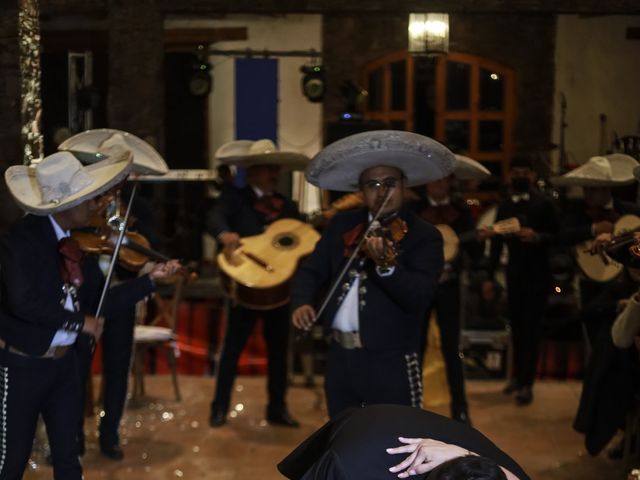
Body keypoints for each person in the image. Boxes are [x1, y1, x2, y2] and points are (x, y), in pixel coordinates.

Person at [0, 151, 179, 479]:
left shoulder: (73, 242)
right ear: (65, 204)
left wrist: (149, 281)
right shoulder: (21, 239)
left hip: (66, 365)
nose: (96, 205)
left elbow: (100, 303)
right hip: (25, 365)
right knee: (10, 463)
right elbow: (22, 302)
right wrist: (78, 322)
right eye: (88, 199)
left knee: (70, 461)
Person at [291, 130, 452, 418]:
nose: (382, 192)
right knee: (340, 440)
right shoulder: (343, 225)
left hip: (391, 362)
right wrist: (303, 301)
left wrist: (388, 267)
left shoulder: (423, 236)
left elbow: (419, 297)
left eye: (390, 183)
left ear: (404, 186)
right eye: (372, 184)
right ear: (361, 191)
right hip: (340, 358)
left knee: (396, 447)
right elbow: (311, 271)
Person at [59, 128, 172, 460]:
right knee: (76, 370)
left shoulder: (139, 205)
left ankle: (109, 435)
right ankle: (73, 436)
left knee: (118, 368)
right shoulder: (84, 197)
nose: (119, 175)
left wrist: (126, 239)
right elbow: (69, 236)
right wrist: (98, 236)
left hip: (123, 294)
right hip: (85, 297)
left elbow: (149, 246)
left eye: (124, 169)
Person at [206, 139, 309, 427]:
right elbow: (213, 218)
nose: (272, 174)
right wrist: (224, 234)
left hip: (279, 289)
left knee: (279, 353)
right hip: (246, 285)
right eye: (266, 168)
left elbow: (301, 240)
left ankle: (277, 408)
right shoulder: (234, 198)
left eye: (275, 168)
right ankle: (219, 408)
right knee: (232, 350)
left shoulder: (287, 206)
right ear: (252, 172)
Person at [411, 155, 488, 424]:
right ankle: (413, 405)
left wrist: (477, 238)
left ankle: (460, 407)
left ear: (449, 182)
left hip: (449, 288)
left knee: (451, 349)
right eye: (433, 180)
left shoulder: (462, 211)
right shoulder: (414, 209)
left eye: (443, 179)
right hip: (420, 288)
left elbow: (476, 254)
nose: (438, 185)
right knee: (415, 346)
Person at [480, 154, 559, 406]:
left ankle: (528, 383)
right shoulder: (505, 206)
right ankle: (516, 377)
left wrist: (537, 237)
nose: (521, 176)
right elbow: (496, 244)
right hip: (514, 274)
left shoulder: (545, 204)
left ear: (533, 176)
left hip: (539, 275)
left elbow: (560, 237)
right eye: (516, 172)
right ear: (510, 176)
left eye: (526, 172)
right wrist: (489, 275)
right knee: (516, 328)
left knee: (532, 331)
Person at [277, 403, 529, 480]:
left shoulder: (500, 473)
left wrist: (461, 453)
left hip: (403, 425)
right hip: (363, 441)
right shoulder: (347, 469)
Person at [551, 154, 640, 347]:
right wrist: (592, 229)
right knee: (594, 337)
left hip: (623, 283)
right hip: (589, 282)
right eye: (585, 189)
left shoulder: (630, 210)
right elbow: (561, 236)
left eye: (593, 189)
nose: (587, 194)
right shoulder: (575, 211)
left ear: (606, 189)